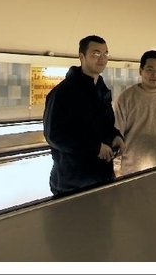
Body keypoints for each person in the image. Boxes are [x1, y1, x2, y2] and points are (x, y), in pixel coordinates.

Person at [43, 35, 125, 196]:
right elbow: (54, 135)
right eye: (95, 53)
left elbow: (105, 125)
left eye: (105, 54)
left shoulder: (102, 90)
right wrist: (94, 147)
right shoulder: (63, 92)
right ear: (82, 56)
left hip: (101, 176)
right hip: (73, 182)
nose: (102, 58)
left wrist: (116, 136)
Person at [113, 50, 156, 176]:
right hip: (131, 172)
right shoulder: (125, 99)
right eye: (149, 69)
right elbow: (115, 135)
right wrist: (117, 170)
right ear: (140, 71)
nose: (154, 74)